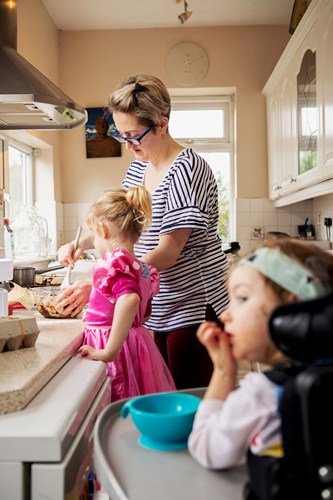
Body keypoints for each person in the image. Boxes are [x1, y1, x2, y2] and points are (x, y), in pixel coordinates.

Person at [56, 74, 229, 389]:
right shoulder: (138, 166)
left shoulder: (186, 169)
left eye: (134, 134)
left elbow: (168, 251)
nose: (128, 144)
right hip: (157, 301)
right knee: (164, 395)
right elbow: (121, 224)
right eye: (122, 135)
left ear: (162, 124)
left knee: (187, 400)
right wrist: (80, 243)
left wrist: (104, 282)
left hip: (192, 305)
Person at [188, 237, 333, 470]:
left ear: (291, 311)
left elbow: (205, 447)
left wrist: (224, 370)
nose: (225, 315)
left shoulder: (263, 394)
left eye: (242, 299)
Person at [76, 186, 176, 401]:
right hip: (136, 344)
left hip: (115, 346)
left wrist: (108, 351)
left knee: (118, 401)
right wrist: (98, 315)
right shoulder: (143, 267)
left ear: (103, 230)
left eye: (94, 236)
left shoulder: (114, 262)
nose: (94, 243)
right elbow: (143, 314)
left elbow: (129, 300)